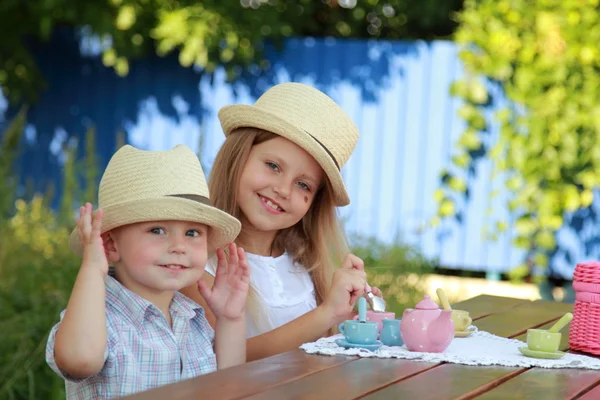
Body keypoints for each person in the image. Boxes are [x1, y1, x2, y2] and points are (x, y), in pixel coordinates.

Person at [181, 82, 381, 361]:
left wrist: (353, 317)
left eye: (303, 185)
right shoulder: (194, 263)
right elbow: (224, 361)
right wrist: (325, 314)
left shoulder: (306, 268)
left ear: (313, 203)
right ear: (238, 156)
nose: (284, 190)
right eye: (273, 166)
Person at [46, 144, 249, 399]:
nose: (179, 246)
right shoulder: (97, 318)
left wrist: (230, 320)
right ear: (110, 245)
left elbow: (227, 384)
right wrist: (91, 269)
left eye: (192, 233)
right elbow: (79, 359)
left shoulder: (192, 318)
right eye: (157, 230)